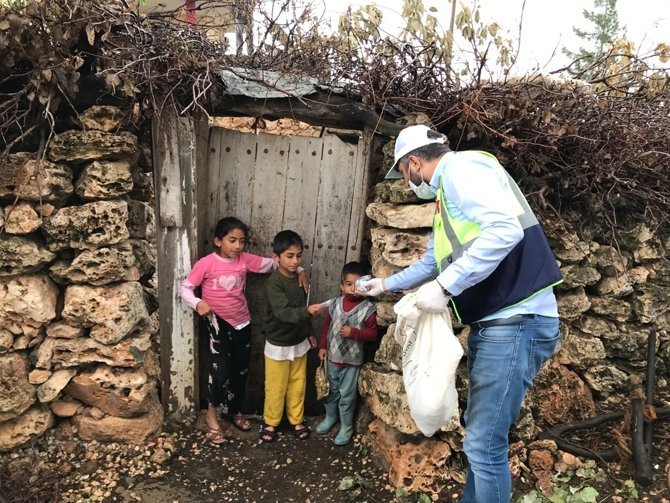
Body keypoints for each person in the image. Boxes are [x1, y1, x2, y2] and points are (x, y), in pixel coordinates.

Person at [359, 125, 563, 503]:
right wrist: (385, 285)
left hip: (516, 321)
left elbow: (504, 230)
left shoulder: (462, 171)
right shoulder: (448, 197)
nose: (407, 183)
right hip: (501, 322)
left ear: (414, 163)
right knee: (480, 442)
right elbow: (432, 262)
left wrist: (445, 287)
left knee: (485, 445)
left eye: (404, 174)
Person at [180, 217, 306, 444]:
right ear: (218, 241)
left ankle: (234, 410)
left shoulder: (244, 260)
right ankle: (211, 415)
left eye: (241, 241)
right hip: (218, 324)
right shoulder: (206, 264)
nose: (238, 246)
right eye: (232, 241)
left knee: (240, 370)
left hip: (242, 323)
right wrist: (198, 303)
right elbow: (185, 288)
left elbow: (274, 263)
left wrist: (301, 270)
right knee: (220, 371)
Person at [260, 230, 322, 443]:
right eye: (289, 256)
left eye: (298, 256)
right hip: (278, 343)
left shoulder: (300, 279)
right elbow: (283, 312)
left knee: (298, 383)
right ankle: (271, 422)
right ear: (276, 257)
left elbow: (302, 307)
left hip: (299, 342)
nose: (295, 261)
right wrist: (308, 312)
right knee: (276, 386)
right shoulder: (274, 283)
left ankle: (296, 419)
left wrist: (310, 332)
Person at [315, 261, 378, 446]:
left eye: (357, 285)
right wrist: (323, 346)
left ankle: (346, 427)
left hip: (352, 362)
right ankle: (330, 418)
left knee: (347, 395)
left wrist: (354, 333)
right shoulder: (335, 304)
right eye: (348, 284)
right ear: (342, 285)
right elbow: (327, 326)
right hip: (333, 358)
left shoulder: (367, 309)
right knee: (332, 391)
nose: (353, 289)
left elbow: (373, 334)